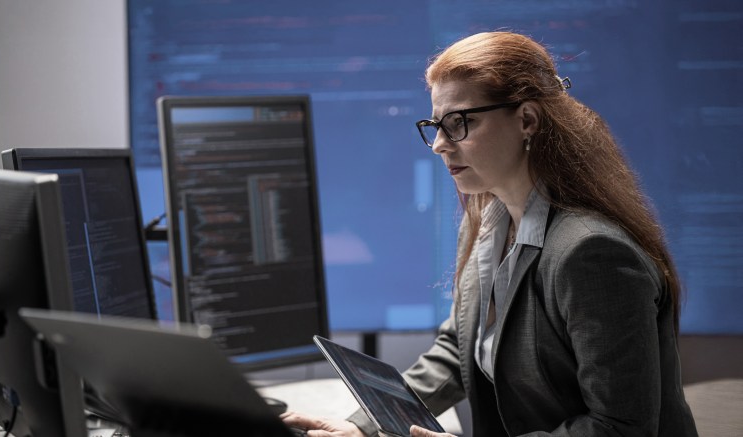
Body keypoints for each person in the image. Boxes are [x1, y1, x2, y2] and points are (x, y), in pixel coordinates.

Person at [282, 31, 699, 436]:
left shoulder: (591, 253)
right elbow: (457, 349)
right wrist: (363, 426)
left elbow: (621, 427)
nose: (439, 144)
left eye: (459, 122)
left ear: (527, 120)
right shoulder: (484, 220)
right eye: (436, 124)